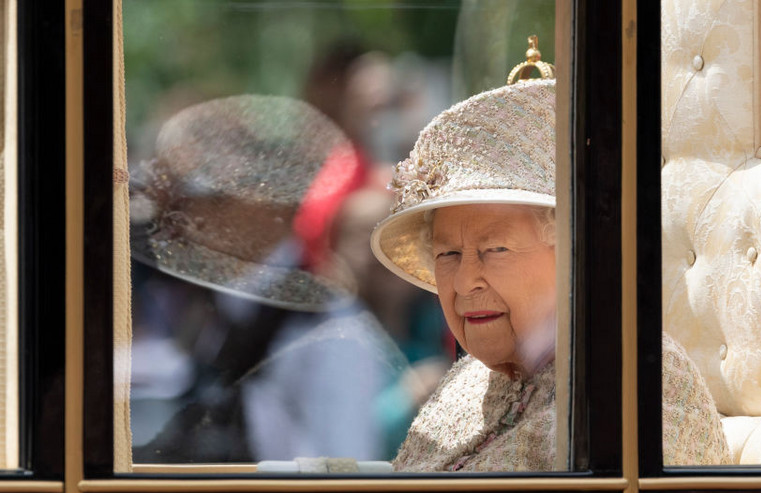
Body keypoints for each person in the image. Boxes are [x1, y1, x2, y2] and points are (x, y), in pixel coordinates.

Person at [371, 72, 730, 471]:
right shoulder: (465, 383)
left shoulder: (634, 378)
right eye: (448, 254)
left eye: (495, 249)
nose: (464, 281)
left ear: (572, 254)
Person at [129, 94, 411, 463]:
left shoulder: (328, 330)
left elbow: (345, 480)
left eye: (214, 197)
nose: (190, 214)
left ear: (270, 206)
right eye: (186, 197)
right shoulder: (221, 304)